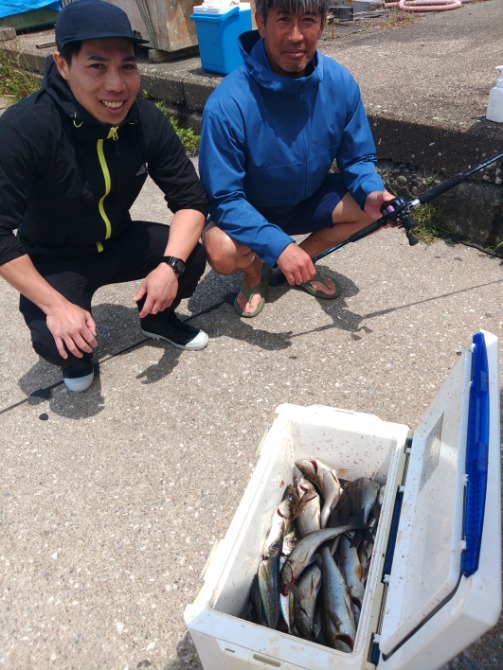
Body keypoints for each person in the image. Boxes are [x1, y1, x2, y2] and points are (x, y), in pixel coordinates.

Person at [0, 0, 209, 393]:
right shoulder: (24, 129)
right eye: (97, 66)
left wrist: (170, 266)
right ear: (62, 65)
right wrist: (56, 306)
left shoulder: (144, 119)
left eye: (127, 66)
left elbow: (191, 200)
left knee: (190, 254)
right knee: (59, 344)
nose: (116, 85)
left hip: (118, 240)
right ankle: (77, 346)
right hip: (53, 256)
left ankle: (157, 319)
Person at [199, 0, 396, 318]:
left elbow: (358, 158)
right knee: (220, 250)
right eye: (283, 19)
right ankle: (255, 274)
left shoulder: (340, 82)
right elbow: (224, 198)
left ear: (322, 24)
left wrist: (371, 190)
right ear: (261, 23)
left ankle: (298, 264)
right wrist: (278, 245)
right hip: (251, 209)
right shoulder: (226, 103)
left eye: (307, 20)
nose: (295, 35)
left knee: (375, 208)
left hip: (308, 200)